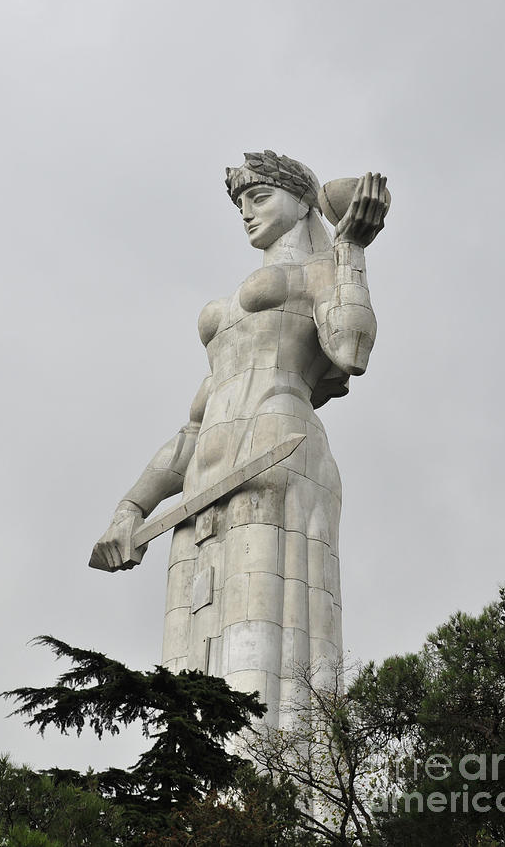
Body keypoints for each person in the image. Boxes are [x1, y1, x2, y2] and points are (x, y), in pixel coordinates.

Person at [91, 151, 389, 728]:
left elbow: (351, 349)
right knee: (188, 659)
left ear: (304, 202)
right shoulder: (228, 319)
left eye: (259, 198)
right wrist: (130, 509)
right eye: (239, 203)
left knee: (266, 653)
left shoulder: (321, 272)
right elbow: (191, 431)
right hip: (203, 483)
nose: (246, 214)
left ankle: (276, 803)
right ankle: (202, 814)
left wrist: (350, 250)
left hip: (275, 450)